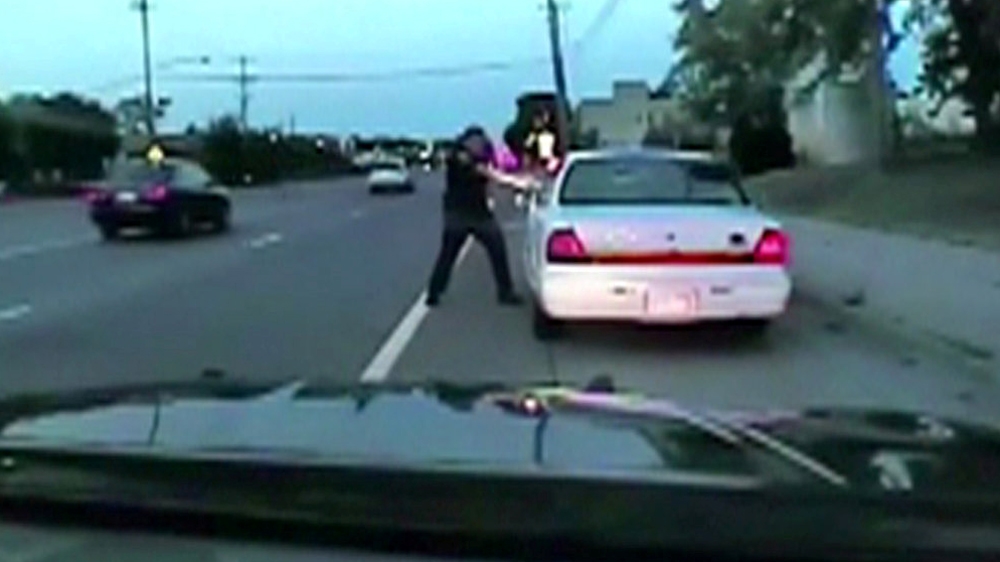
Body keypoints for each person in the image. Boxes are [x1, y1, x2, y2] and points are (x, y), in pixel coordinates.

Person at [426, 125, 539, 308]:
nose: (482, 146)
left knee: (458, 253)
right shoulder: (462, 158)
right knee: (457, 254)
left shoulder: (466, 156)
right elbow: (492, 175)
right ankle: (504, 292)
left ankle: (435, 292)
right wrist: (519, 183)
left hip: (469, 213)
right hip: (466, 215)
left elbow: (491, 174)